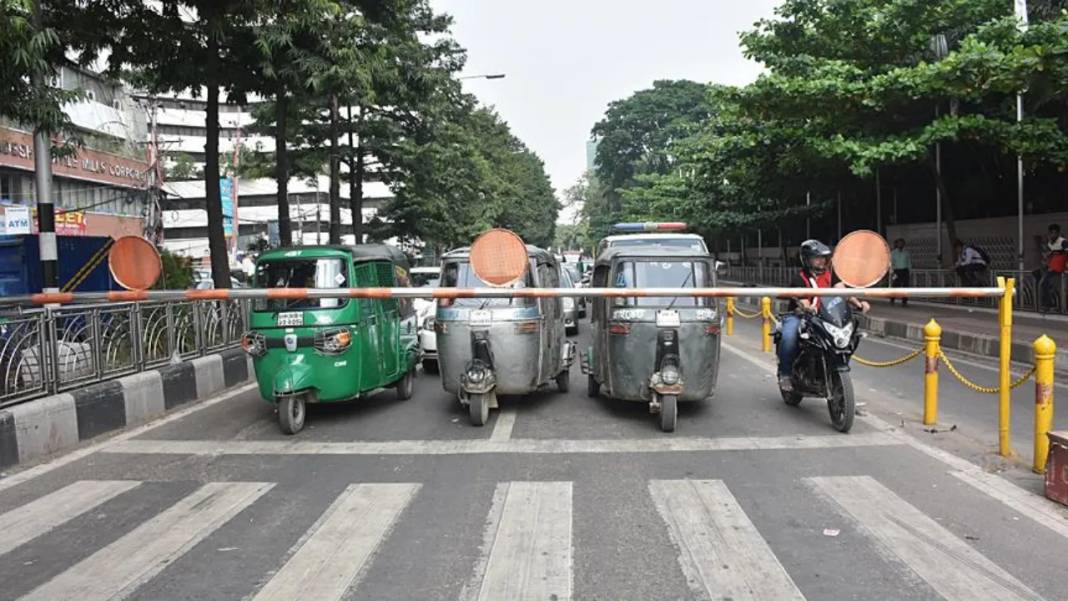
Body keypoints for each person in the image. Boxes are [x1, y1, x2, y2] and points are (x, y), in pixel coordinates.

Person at [777, 240, 870, 392]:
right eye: (817, 258)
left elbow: (843, 292)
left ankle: (834, 372)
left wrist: (859, 304)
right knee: (789, 336)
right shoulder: (799, 278)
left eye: (823, 257)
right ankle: (785, 374)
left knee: (851, 335)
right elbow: (803, 301)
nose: (822, 261)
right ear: (806, 260)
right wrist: (808, 307)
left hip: (825, 317)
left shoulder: (830, 275)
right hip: (800, 316)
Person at [1037, 224, 1067, 310]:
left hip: (1060, 266)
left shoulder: (1063, 242)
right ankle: (1049, 303)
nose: (1053, 235)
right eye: (1051, 233)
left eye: (1055, 233)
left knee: (1046, 283)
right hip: (1053, 266)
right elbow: (1050, 255)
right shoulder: (1050, 243)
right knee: (1043, 283)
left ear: (1058, 233)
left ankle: (1050, 303)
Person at [889, 238, 911, 306]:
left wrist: (909, 271)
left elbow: (909, 262)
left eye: (902, 243)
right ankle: (892, 299)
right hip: (896, 271)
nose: (900, 244)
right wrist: (891, 272)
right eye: (899, 243)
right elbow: (890, 263)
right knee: (895, 285)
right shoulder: (893, 253)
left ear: (904, 244)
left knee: (905, 286)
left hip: (905, 271)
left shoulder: (906, 253)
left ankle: (904, 301)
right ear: (897, 244)